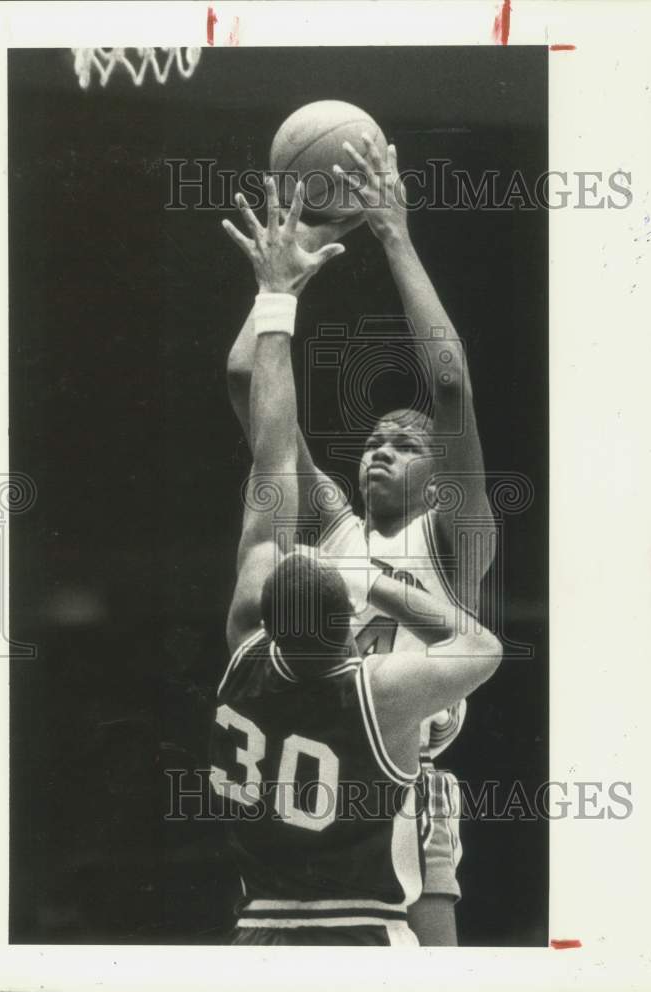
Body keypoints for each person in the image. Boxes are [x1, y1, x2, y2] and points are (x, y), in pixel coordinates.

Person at [212, 176, 502, 946]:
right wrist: (280, 275)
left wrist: (393, 234)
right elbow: (248, 383)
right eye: (374, 439)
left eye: (406, 445)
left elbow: (448, 385)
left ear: (439, 476)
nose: (381, 448)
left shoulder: (450, 539)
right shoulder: (333, 524)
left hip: (399, 780)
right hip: (324, 760)